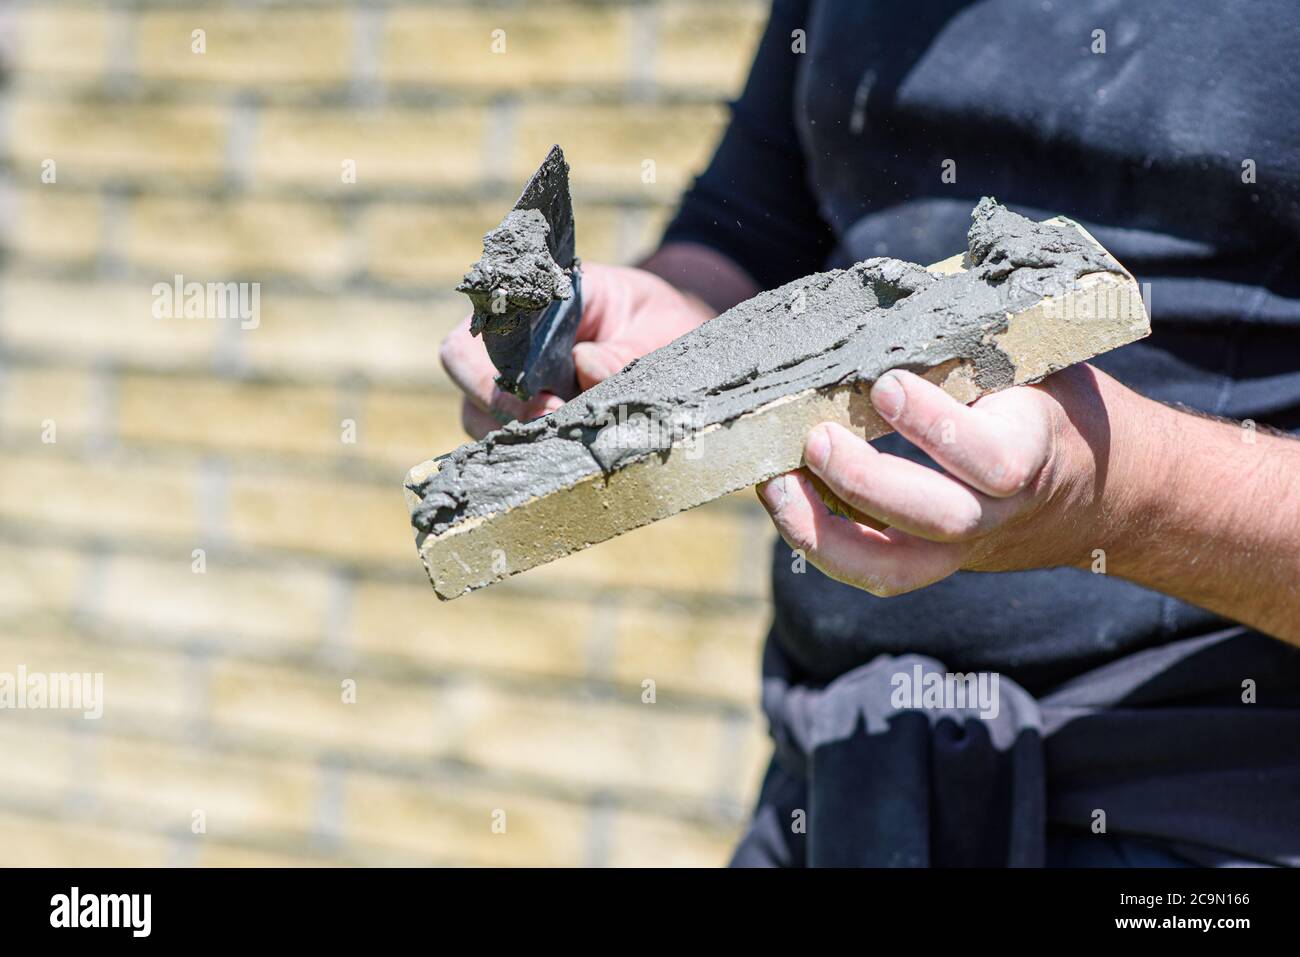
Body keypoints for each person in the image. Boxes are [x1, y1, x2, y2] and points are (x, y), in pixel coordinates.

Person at [440, 0, 1300, 866]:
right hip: (836, 779)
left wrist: (1122, 497)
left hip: (1210, 809)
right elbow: (750, 222)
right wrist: (675, 316)